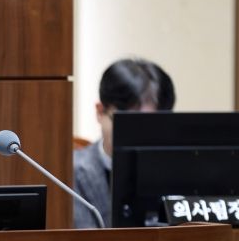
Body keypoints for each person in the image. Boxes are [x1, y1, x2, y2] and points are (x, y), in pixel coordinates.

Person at [73, 58, 175, 229]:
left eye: (153, 125)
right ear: (100, 112)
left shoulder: (175, 170)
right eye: (130, 124)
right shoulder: (72, 172)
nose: (141, 135)